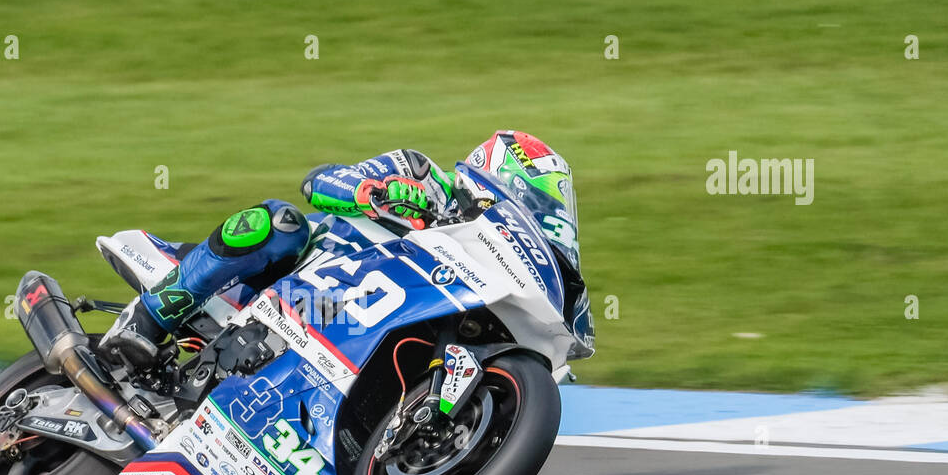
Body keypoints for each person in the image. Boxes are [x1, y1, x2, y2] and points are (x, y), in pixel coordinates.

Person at [99, 130, 591, 369]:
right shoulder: (422, 177)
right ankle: (149, 318)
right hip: (278, 283)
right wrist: (371, 192)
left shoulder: (484, 264)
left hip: (348, 324)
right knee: (279, 222)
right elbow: (317, 182)